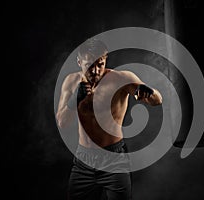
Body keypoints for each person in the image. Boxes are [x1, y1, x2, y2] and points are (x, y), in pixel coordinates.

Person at [56, 38, 162, 200]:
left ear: (105, 60)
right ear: (79, 62)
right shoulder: (71, 83)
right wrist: (73, 101)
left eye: (100, 64)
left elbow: (157, 101)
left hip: (114, 160)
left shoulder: (121, 79)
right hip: (84, 160)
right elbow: (62, 123)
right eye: (89, 65)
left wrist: (149, 92)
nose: (96, 70)